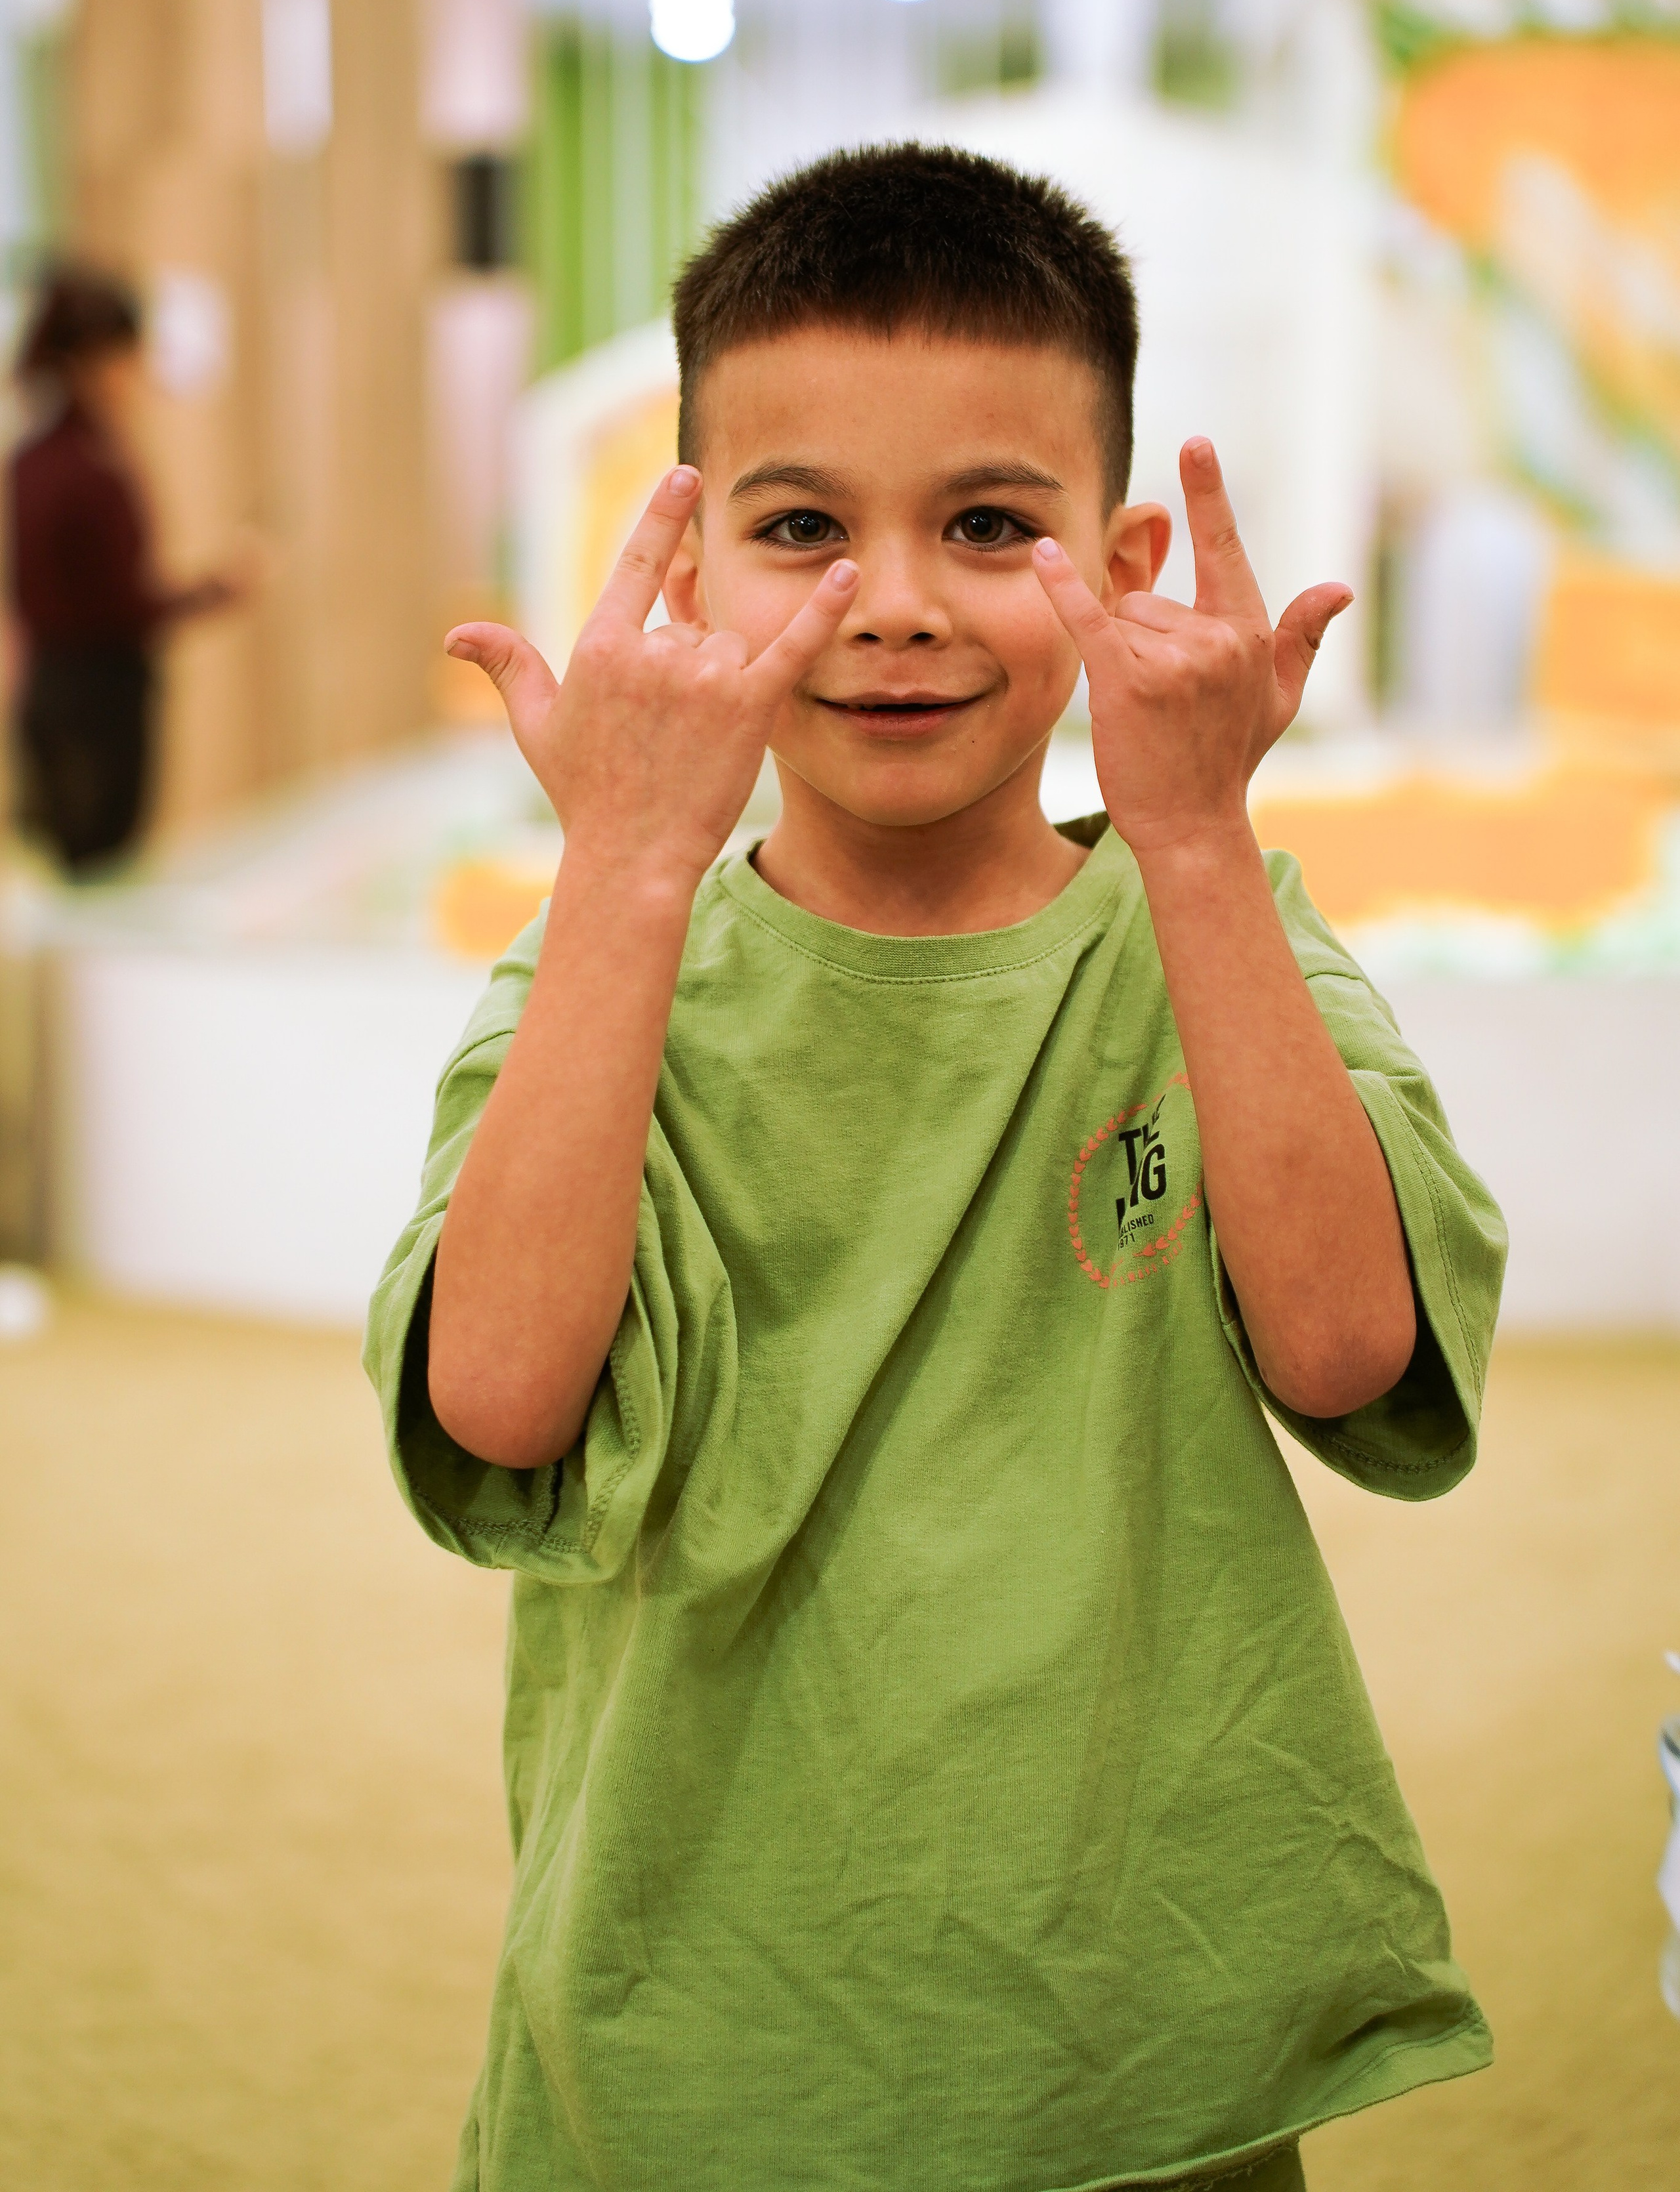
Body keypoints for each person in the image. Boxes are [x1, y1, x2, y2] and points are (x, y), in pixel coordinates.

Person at [366, 145, 1506, 2192]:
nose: (892, 603)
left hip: (1135, 2039)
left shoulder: (1215, 929)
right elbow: (504, 1401)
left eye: (988, 524)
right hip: (693, 2028)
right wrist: (623, 865)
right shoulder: (602, 965)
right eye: (801, 527)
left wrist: (1198, 840)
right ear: (686, 571)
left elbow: (1346, 1350)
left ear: (1124, 563)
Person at [5, 264, 255, 874]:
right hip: (99, 701)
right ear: (97, 361)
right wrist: (217, 589)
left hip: (50, 690)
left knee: (74, 866)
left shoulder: (32, 462)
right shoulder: (88, 471)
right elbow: (121, 607)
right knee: (101, 868)